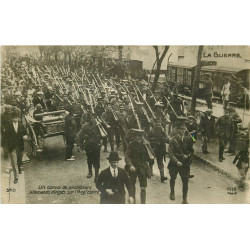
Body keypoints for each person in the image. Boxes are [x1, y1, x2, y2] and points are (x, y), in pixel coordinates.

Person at [168, 117, 194, 204]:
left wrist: (188, 155)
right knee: (173, 178)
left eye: (184, 129)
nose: (183, 131)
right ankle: (172, 192)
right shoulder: (173, 140)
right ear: (178, 130)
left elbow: (191, 150)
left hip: (185, 163)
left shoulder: (188, 139)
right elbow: (170, 153)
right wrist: (176, 161)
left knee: (185, 181)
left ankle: (184, 198)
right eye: (181, 129)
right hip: (175, 162)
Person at [125, 128, 154, 204]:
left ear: (142, 137)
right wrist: (130, 165)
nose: (138, 138)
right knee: (132, 184)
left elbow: (152, 156)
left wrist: (148, 147)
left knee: (143, 187)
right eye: (136, 136)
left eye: (140, 136)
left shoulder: (146, 145)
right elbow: (127, 156)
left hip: (143, 167)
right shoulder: (131, 145)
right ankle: (132, 201)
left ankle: (143, 203)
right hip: (133, 167)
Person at [2, 108, 27, 184]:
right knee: (14, 161)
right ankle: (16, 177)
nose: (15, 119)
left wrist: (25, 136)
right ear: (12, 118)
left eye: (17, 118)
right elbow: (5, 137)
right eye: (14, 118)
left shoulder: (21, 126)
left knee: (19, 159)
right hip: (12, 146)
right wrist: (4, 146)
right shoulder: (9, 126)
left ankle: (19, 168)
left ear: (19, 118)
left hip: (19, 146)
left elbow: (25, 133)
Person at [76, 113, 102, 182]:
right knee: (89, 159)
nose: (93, 119)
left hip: (97, 145)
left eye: (94, 118)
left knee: (97, 159)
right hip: (88, 145)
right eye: (91, 118)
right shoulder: (85, 127)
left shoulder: (99, 126)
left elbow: (104, 134)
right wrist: (78, 146)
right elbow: (79, 136)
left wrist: (102, 140)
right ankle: (90, 172)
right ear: (89, 119)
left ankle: (97, 175)